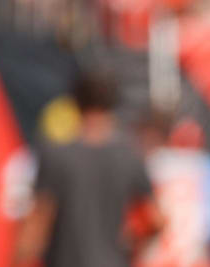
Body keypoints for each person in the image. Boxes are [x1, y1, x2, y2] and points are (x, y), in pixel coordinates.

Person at [12, 72, 162, 267]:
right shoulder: (130, 155)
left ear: (75, 102)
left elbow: (37, 226)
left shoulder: (57, 155)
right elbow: (156, 220)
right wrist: (132, 248)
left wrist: (16, 259)